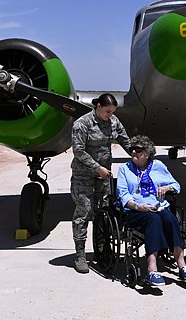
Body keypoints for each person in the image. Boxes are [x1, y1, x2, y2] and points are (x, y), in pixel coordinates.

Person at [117, 135, 186, 286]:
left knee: (170, 219)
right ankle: (152, 269)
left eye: (138, 150)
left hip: (158, 206)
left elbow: (176, 185)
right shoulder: (124, 169)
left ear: (147, 152)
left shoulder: (158, 166)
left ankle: (182, 265)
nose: (134, 152)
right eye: (132, 149)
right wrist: (137, 206)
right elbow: (123, 194)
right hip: (136, 211)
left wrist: (167, 187)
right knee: (153, 220)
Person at [71, 93, 130, 274]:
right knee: (84, 212)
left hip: (103, 177)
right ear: (98, 107)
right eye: (107, 111)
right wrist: (98, 168)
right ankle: (80, 256)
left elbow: (123, 138)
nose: (109, 115)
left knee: (103, 212)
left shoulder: (113, 121)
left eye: (112, 112)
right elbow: (78, 151)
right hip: (84, 176)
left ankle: (101, 249)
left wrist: (137, 154)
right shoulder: (82, 124)